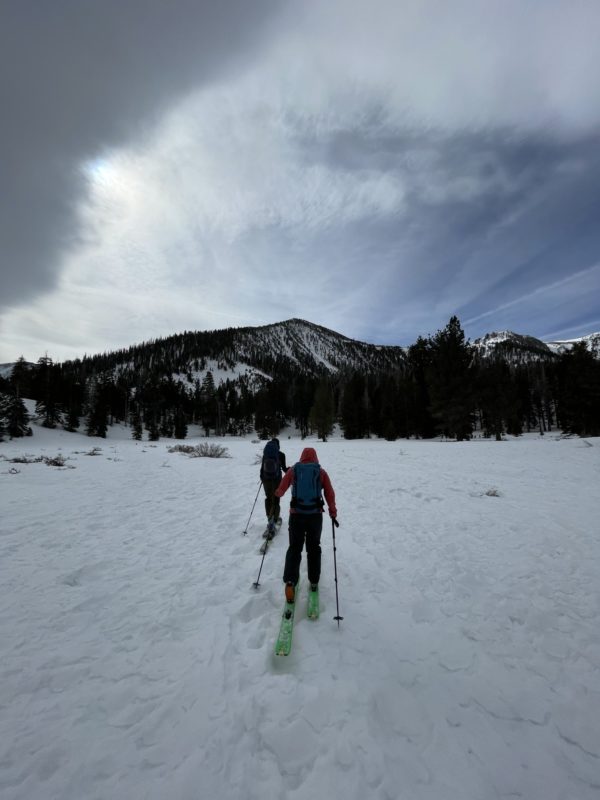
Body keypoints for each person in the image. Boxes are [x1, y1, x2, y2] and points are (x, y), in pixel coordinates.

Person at [275, 446, 337, 603]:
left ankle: (290, 582)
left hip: (296, 516)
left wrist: (277, 493)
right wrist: (332, 510)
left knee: (295, 548)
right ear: (315, 457)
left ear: (302, 456)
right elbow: (329, 492)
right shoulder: (320, 472)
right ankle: (314, 581)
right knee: (314, 548)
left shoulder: (294, 470)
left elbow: (281, 488)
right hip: (315, 517)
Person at [260, 438, 287, 536]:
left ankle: (269, 518)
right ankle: (274, 520)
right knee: (276, 499)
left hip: (266, 480)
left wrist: (262, 478)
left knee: (268, 498)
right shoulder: (281, 455)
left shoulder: (265, 455)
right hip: (276, 480)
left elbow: (262, 469)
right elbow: (284, 469)